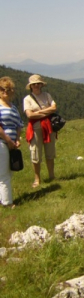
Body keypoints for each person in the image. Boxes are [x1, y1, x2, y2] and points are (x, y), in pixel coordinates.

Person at [23, 75, 57, 187]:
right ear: (31, 86)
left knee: (50, 152)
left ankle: (52, 176)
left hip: (48, 127)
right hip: (35, 128)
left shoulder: (47, 95)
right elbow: (30, 115)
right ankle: (37, 179)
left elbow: (54, 108)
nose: (36, 85)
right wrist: (47, 111)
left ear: (41, 85)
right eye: (34, 84)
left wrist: (38, 113)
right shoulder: (27, 99)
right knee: (36, 153)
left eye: (38, 83)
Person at [0, 77, 23, 207]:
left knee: (7, 172)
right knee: (4, 174)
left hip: (11, 144)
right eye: (2, 89)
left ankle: (2, 199)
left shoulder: (13, 107)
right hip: (2, 142)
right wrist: (8, 140)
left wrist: (17, 139)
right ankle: (8, 203)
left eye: (8, 89)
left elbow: (19, 124)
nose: (5, 92)